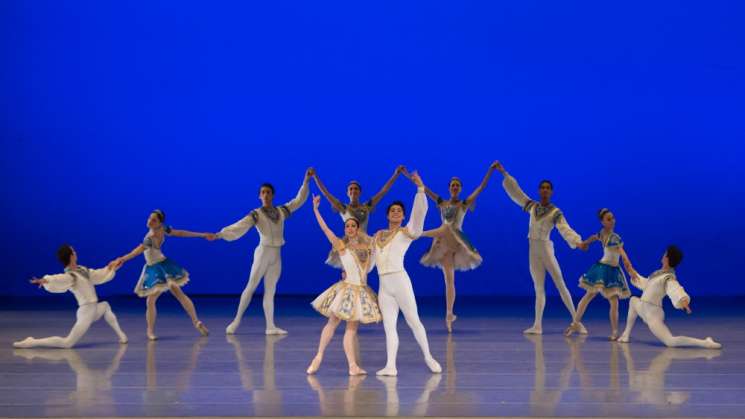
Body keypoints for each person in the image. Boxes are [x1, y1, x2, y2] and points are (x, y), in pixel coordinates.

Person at [210, 168, 312, 335]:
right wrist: (220, 235)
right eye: (263, 192)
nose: (265, 195)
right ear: (259, 196)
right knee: (251, 286)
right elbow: (239, 226)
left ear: (273, 195)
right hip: (263, 253)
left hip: (276, 254)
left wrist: (306, 181)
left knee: (270, 291)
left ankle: (270, 326)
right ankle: (236, 321)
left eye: (268, 192)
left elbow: (298, 200)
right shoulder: (256, 214)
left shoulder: (281, 211)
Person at [495, 161, 590, 335]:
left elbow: (565, 229)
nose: (545, 190)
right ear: (539, 191)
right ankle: (537, 325)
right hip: (533, 250)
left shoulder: (555, 212)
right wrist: (504, 173)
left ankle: (576, 321)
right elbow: (517, 193)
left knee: (560, 284)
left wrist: (578, 242)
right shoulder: (532, 206)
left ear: (551, 192)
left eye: (548, 188)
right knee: (538, 288)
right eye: (542, 187)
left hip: (546, 249)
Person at [372, 171, 441, 376]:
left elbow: (418, 217)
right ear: (387, 215)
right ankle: (390, 365)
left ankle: (428, 357)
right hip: (384, 286)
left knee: (413, 320)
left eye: (399, 211)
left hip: (400, 281)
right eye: (392, 210)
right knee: (389, 326)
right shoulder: (378, 236)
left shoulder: (406, 232)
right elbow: (371, 262)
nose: (395, 213)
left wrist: (420, 189)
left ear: (403, 216)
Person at [307, 195, 382, 376]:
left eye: (353, 226)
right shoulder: (341, 245)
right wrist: (316, 210)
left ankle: (352, 366)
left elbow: (375, 251)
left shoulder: (367, 246)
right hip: (347, 289)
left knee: (351, 330)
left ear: (357, 228)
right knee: (332, 323)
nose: (349, 228)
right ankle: (318, 356)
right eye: (347, 226)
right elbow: (325, 229)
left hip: (361, 291)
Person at [116, 209, 211, 340]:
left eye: (153, 220)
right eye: (149, 218)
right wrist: (201, 235)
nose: (149, 221)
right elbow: (181, 233)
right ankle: (196, 321)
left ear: (159, 223)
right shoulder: (162, 229)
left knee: (151, 300)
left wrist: (122, 259)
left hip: (156, 268)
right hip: (164, 264)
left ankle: (150, 331)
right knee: (178, 294)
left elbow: (136, 251)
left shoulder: (150, 237)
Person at [13, 244, 127, 348]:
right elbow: (58, 279)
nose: (76, 253)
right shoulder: (71, 276)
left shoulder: (82, 270)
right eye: (74, 251)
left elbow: (97, 274)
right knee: (67, 343)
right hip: (86, 311)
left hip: (93, 308)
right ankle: (32, 342)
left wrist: (111, 268)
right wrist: (45, 280)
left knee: (105, 305)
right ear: (71, 256)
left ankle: (121, 335)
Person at [618, 245, 722, 349]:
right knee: (633, 301)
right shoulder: (657, 275)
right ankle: (626, 334)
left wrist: (683, 300)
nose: (663, 256)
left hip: (652, 313)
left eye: (665, 254)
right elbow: (646, 285)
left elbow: (675, 289)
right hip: (643, 307)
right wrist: (633, 272)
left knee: (670, 341)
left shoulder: (668, 278)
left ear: (667, 258)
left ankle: (705, 342)